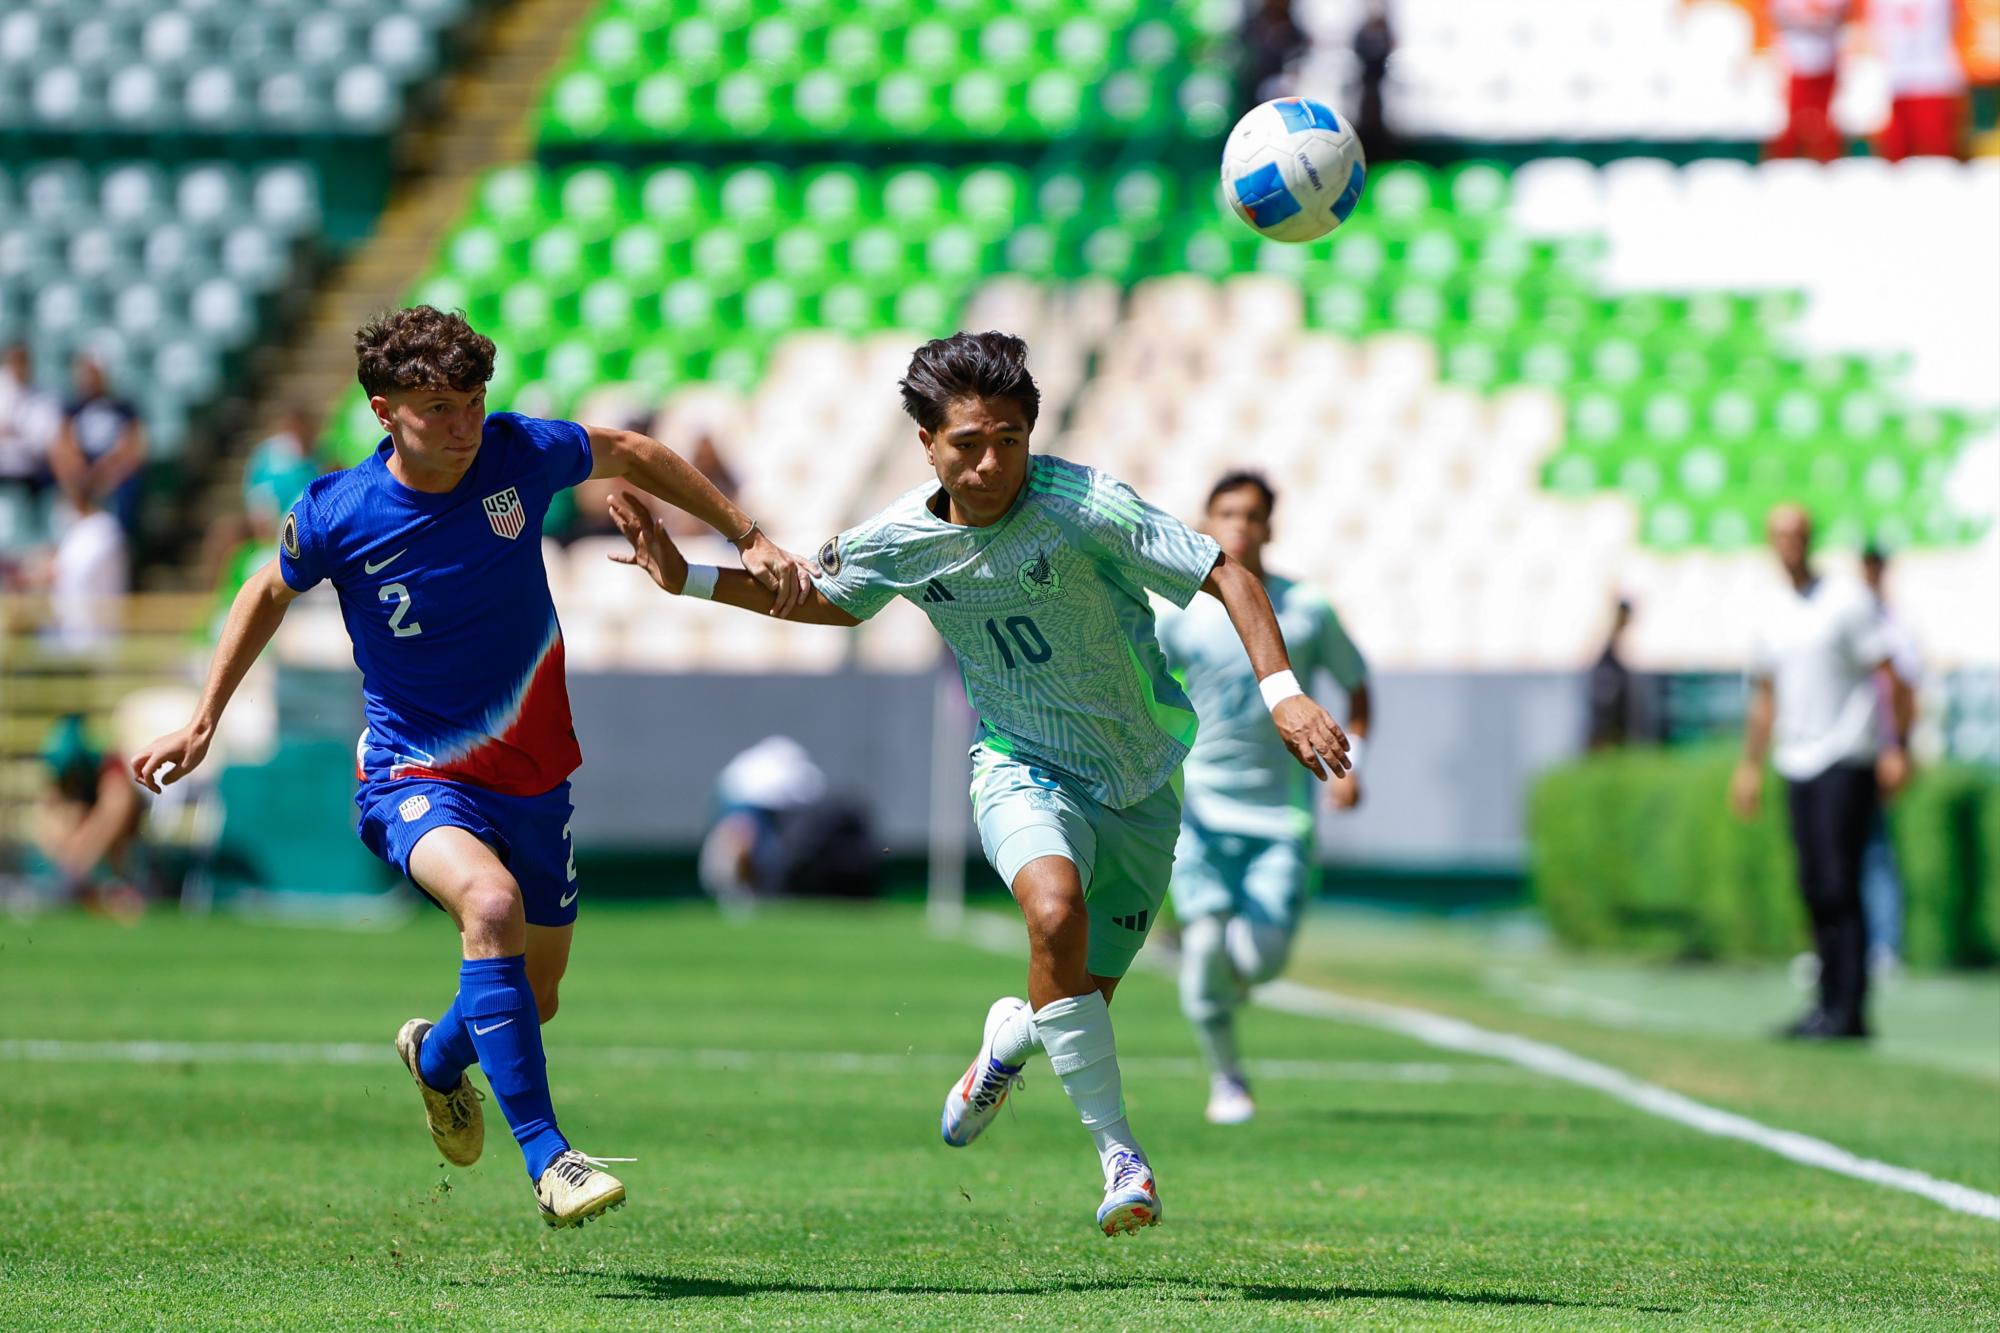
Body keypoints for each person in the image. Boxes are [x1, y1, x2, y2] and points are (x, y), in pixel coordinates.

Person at [608, 331, 1349, 1237]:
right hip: (1020, 768)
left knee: (1070, 996)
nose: (991, 461)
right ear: (927, 442)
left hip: (1144, 782)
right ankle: (1122, 1158)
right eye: (967, 443)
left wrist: (1284, 691)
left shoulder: (1084, 505)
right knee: (1052, 913)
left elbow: (1223, 570)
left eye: (1009, 438)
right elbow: (821, 598)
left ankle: (1006, 1041)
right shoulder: (904, 537)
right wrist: (686, 576)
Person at [130, 306, 811, 1228]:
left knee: (535, 995)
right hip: (412, 775)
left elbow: (629, 449)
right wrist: (205, 716)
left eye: (473, 402)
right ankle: (552, 1157)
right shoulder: (339, 510)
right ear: (383, 410)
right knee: (489, 909)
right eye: (438, 407)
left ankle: (438, 1055)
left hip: (534, 774)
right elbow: (264, 585)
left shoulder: (515, 454)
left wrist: (745, 533)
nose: (462, 426)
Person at [1154, 471, 1370, 1126]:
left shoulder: (1307, 608)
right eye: (1227, 512)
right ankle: (1228, 1081)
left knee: (1259, 960)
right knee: (1205, 952)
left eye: (1252, 515)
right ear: (1206, 520)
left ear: (1271, 526)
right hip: (1202, 813)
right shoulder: (1176, 612)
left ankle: (1218, 970)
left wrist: (1357, 759)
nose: (1239, 525)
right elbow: (1141, 691)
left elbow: (1358, 686)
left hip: (1282, 816)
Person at [1731, 505, 1913, 1040]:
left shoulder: (1846, 601)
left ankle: (1850, 1007)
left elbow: (1889, 676)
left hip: (1845, 755)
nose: (1789, 543)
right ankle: (1825, 1001)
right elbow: (1765, 696)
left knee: (1840, 880)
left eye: (1797, 533)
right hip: (1797, 757)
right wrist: (1749, 765)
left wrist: (1894, 746)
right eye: (1779, 534)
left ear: (1809, 538)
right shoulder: (1771, 612)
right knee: (1812, 884)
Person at [1859, 545, 1922, 974]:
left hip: (1879, 750)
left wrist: (1897, 747)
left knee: (1877, 849)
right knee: (1840, 850)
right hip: (1848, 749)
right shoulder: (1848, 619)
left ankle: (1884, 943)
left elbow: (1906, 692)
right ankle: (1846, 945)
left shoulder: (1895, 629)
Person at [33, 714, 145, 920]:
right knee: (69, 815)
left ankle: (108, 885)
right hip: (82, 855)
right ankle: (83, 887)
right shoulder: (63, 776)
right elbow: (47, 824)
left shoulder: (111, 771)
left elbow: (114, 812)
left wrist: (78, 863)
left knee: (114, 806)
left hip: (119, 838)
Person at [48, 355, 148, 537]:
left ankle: (121, 540)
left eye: (94, 375)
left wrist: (109, 472)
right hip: (84, 469)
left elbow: (135, 446)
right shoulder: (72, 409)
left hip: (115, 469)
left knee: (129, 489)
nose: (90, 381)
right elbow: (61, 446)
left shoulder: (123, 408)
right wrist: (80, 472)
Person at [1768, 0, 1853, 162]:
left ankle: (1829, 164)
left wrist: (1818, 17)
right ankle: (1785, 166)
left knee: (1825, 125)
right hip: (1796, 63)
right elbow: (1777, 17)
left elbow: (1843, 16)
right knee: (1794, 123)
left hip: (1827, 63)